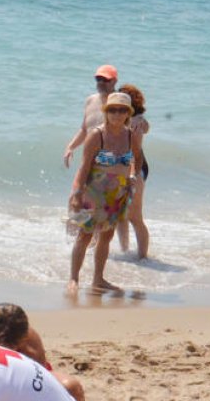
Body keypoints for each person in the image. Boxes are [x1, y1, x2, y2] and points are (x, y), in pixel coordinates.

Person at [67, 92, 143, 294]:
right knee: (85, 235)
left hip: (117, 193)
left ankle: (98, 280)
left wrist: (133, 174)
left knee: (106, 237)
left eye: (121, 110)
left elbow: (139, 158)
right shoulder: (96, 135)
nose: (116, 114)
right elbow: (84, 167)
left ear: (128, 113)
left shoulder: (130, 135)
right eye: (112, 110)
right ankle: (73, 279)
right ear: (106, 112)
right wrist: (76, 194)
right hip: (94, 191)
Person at [115, 84, 151, 259]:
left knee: (134, 217)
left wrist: (133, 175)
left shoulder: (136, 120)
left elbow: (134, 152)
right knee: (121, 216)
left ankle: (143, 259)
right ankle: (125, 251)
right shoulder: (122, 118)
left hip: (136, 167)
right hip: (121, 168)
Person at [62, 64, 118, 168]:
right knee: (81, 183)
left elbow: (140, 127)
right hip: (91, 159)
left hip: (113, 161)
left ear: (114, 81)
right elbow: (84, 130)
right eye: (98, 79)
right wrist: (70, 147)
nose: (101, 82)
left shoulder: (121, 102)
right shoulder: (90, 100)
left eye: (105, 79)